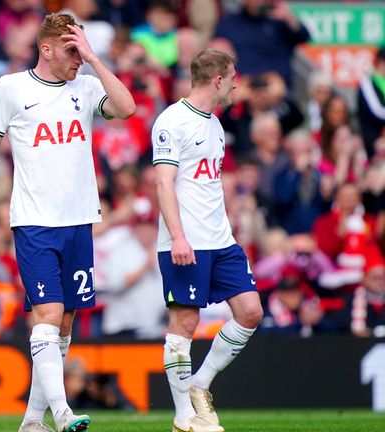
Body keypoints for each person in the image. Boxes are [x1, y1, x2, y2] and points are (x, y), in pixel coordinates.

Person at [0, 12, 136, 432]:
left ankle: (33, 421)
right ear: (46, 48)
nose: (78, 58)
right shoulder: (12, 88)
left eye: (82, 49)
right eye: (72, 50)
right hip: (35, 221)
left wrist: (93, 58)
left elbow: (126, 108)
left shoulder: (88, 86)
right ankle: (63, 412)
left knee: (66, 320)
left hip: (79, 220)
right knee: (49, 314)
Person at [151, 48, 263, 432]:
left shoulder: (214, 124)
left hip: (221, 240)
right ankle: (184, 417)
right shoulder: (172, 121)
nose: (236, 85)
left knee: (250, 311)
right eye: (232, 78)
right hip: (186, 242)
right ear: (218, 79)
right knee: (185, 322)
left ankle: (200, 383)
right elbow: (163, 183)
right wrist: (179, 237)